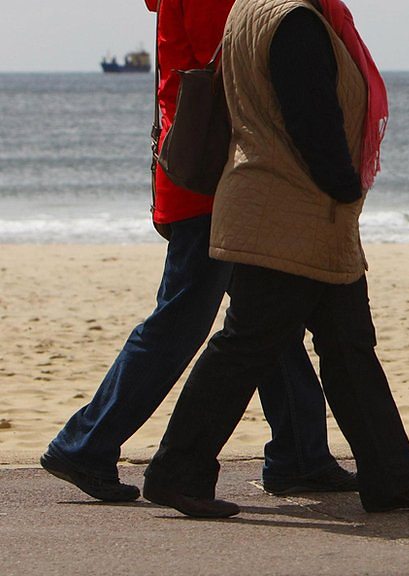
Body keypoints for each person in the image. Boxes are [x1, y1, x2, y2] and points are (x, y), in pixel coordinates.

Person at [142, 0, 409, 518]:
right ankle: (176, 471)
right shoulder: (294, 20)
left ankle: (392, 477)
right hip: (290, 210)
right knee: (248, 344)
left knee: (347, 343)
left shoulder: (250, 9)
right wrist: (344, 186)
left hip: (281, 203)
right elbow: (311, 120)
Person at [40, 0, 356, 503]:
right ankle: (85, 443)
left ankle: (300, 454)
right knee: (188, 318)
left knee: (265, 316)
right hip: (214, 181)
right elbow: (242, 65)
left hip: (207, 176)